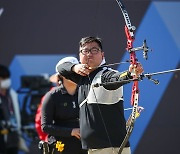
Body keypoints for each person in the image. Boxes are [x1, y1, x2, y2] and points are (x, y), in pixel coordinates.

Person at [56, 36, 144, 154]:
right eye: (85, 51)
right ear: (80, 55)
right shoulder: (82, 76)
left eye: (94, 50)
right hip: (95, 148)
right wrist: (75, 67)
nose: (89, 54)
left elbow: (116, 78)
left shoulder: (106, 74)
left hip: (111, 149)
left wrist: (130, 74)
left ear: (102, 55)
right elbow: (60, 68)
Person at [41, 57, 87, 154]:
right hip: (61, 147)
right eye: (71, 72)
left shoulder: (85, 92)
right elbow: (45, 126)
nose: (75, 75)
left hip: (84, 145)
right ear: (62, 76)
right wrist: (71, 131)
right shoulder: (51, 96)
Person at [0, 64, 28, 154]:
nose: (6, 81)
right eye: (3, 78)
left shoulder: (13, 94)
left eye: (7, 78)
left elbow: (18, 113)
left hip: (13, 138)